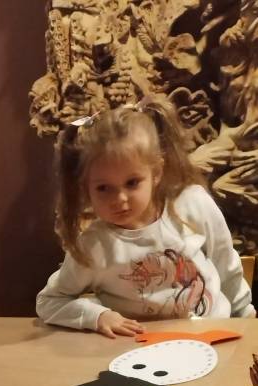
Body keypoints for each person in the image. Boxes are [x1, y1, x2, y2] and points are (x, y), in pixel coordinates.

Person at [36, 96, 255, 337]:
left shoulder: (193, 203)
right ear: (86, 188)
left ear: (156, 172)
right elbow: (49, 301)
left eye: (132, 183)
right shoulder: (92, 246)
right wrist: (97, 316)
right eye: (103, 188)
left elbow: (226, 264)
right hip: (142, 349)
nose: (120, 198)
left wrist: (245, 316)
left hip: (218, 334)